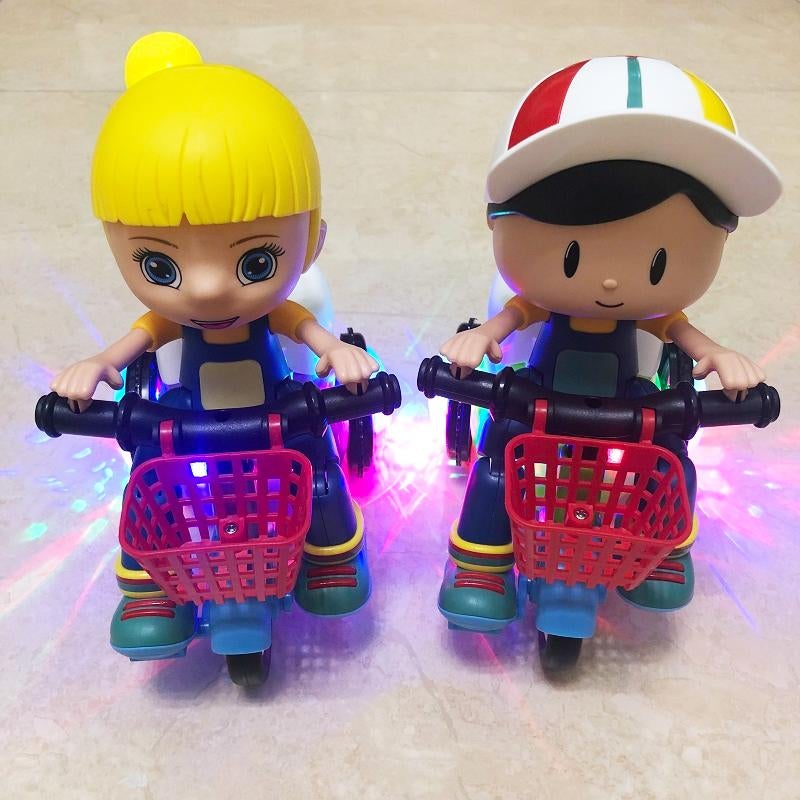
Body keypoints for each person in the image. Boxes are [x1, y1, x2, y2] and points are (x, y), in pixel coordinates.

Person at [51, 32, 378, 659]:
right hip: (189, 419)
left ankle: (330, 555)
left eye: (255, 262)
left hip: (277, 411)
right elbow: (134, 340)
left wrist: (335, 349)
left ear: (311, 239)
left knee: (318, 464)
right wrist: (97, 364)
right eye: (161, 266)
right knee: (150, 475)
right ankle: (151, 586)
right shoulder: (168, 323)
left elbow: (302, 327)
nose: (205, 289)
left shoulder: (276, 312)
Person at [437, 56, 782, 629]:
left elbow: (678, 329)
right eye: (572, 255)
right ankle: (482, 563)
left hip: (628, 405)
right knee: (497, 458)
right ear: (498, 219)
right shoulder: (541, 303)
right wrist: (482, 335)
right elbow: (514, 315)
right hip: (540, 395)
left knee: (669, 458)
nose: (613, 284)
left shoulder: (653, 315)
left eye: (657, 263)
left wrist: (715, 354)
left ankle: (665, 548)